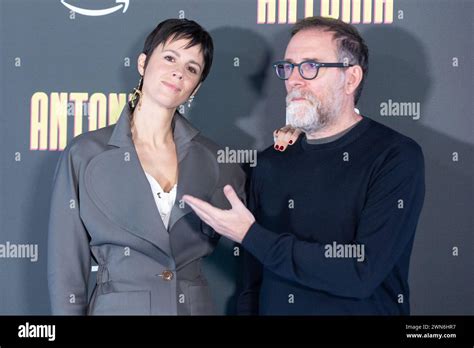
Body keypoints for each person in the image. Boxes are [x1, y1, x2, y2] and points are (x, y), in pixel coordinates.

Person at [183, 16, 425, 315]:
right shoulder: (271, 162)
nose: (294, 79)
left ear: (351, 78)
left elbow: (361, 273)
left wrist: (251, 235)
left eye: (311, 66)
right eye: (288, 67)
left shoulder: (395, 156)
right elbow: (252, 283)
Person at [47, 19, 246, 315]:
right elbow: (65, 272)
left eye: (192, 68)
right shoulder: (85, 154)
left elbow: (254, 241)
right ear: (142, 63)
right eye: (169, 58)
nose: (179, 72)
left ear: (196, 87)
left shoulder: (217, 159)